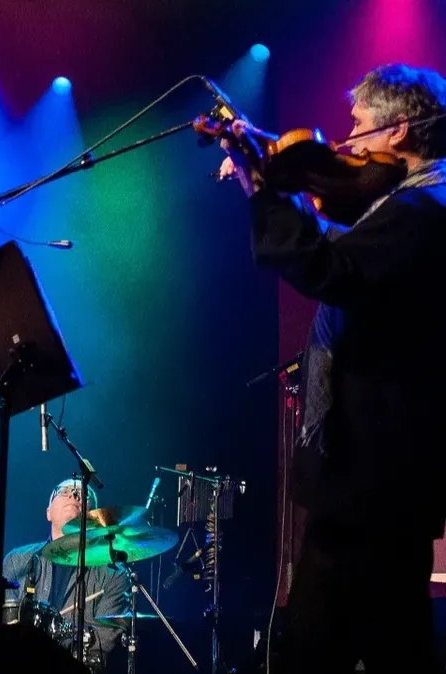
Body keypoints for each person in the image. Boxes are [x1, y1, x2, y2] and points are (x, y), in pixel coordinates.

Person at [218, 63, 446, 673]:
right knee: (390, 641)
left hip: (375, 473)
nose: (346, 141)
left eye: (359, 124)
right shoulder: (404, 205)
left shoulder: (423, 210)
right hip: (380, 476)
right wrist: (266, 182)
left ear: (399, 130)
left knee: (321, 646)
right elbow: (336, 248)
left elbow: (327, 269)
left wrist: (264, 190)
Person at [1, 478, 131, 670]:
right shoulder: (17, 561)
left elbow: (102, 643)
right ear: (48, 512)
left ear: (94, 518)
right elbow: (5, 630)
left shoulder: (114, 575)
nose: (74, 496)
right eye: (64, 491)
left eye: (83, 494)